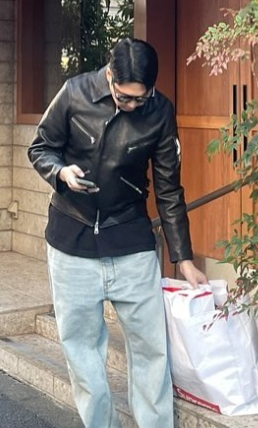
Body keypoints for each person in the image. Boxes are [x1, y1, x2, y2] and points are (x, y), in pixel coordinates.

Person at [28, 37, 207, 428]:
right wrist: (60, 172)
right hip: (71, 239)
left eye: (140, 99)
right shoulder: (74, 93)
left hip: (130, 239)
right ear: (109, 76)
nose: (132, 106)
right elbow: (40, 147)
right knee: (82, 353)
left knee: (151, 350)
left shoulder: (160, 112)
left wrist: (183, 258)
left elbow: (169, 189)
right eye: (124, 97)